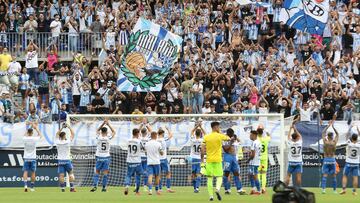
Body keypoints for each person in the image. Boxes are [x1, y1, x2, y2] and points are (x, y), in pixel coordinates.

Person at [201, 121, 230, 201]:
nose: (219, 128)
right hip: (218, 160)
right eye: (218, 127)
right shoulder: (220, 136)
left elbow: (202, 150)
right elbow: (228, 138)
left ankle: (211, 196)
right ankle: (217, 189)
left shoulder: (206, 137)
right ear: (216, 127)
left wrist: (202, 161)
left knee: (209, 178)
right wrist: (219, 132)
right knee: (219, 177)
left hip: (209, 160)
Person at [90, 120, 116, 192]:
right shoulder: (108, 137)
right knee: (105, 173)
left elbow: (97, 130)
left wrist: (103, 123)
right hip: (106, 157)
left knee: (97, 172)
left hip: (99, 156)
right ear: (107, 132)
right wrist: (108, 124)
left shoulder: (98, 137)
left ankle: (95, 186)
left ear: (101, 132)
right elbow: (114, 132)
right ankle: (104, 188)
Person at [222, 128, 246, 195]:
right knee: (226, 173)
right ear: (228, 134)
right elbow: (226, 149)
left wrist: (235, 138)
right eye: (231, 134)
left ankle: (239, 189)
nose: (232, 135)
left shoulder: (233, 139)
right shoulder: (224, 139)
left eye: (232, 134)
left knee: (236, 173)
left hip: (234, 157)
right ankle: (227, 189)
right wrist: (231, 142)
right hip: (227, 156)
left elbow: (240, 143)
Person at [339, 125, 360, 195]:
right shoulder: (359, 145)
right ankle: (354, 191)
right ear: (357, 138)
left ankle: (344, 189)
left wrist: (350, 127)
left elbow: (347, 135)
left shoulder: (348, 143)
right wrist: (358, 129)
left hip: (348, 162)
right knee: (355, 177)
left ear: (351, 138)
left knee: (345, 176)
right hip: (356, 163)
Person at [321, 115, 339, 194]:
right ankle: (334, 190)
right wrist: (333, 126)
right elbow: (337, 134)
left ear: (327, 137)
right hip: (332, 159)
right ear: (332, 136)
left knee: (325, 175)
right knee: (334, 175)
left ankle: (323, 189)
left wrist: (328, 126)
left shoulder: (325, 141)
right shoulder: (334, 142)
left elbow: (323, 132)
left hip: (326, 159)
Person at [55, 123, 75, 192]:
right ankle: (72, 188)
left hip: (60, 161)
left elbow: (57, 134)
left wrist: (62, 128)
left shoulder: (57, 142)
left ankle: (62, 189)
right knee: (71, 173)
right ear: (64, 136)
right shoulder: (67, 141)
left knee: (61, 175)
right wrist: (69, 127)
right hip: (67, 160)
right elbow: (73, 134)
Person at [22, 124, 42, 192]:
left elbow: (24, 135)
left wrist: (28, 128)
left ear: (28, 132)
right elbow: (40, 135)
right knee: (33, 172)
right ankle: (32, 188)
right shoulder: (34, 138)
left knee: (25, 172)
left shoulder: (25, 138)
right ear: (32, 133)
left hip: (26, 158)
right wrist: (36, 128)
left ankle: (25, 186)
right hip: (33, 158)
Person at [124, 128, 143, 195]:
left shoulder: (128, 140)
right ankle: (137, 191)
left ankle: (127, 186)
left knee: (128, 175)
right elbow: (142, 148)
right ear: (138, 134)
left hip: (130, 160)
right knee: (138, 176)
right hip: (137, 161)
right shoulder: (139, 141)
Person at [285, 119, 303, 187]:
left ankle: (285, 188)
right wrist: (295, 129)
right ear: (297, 137)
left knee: (288, 175)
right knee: (298, 177)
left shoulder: (290, 142)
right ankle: (299, 189)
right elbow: (299, 135)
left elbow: (288, 137)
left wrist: (290, 129)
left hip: (291, 162)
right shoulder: (300, 142)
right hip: (298, 162)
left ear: (292, 138)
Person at [145, 131, 163, 195]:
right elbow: (161, 153)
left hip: (149, 162)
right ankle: (157, 190)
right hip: (156, 162)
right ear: (155, 136)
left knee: (150, 176)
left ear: (151, 136)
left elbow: (145, 152)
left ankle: (150, 190)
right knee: (157, 176)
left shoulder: (147, 143)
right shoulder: (158, 144)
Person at [157, 127, 175, 193]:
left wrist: (158, 131)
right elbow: (171, 135)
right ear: (162, 133)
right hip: (164, 159)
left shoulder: (155, 139)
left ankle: (160, 189)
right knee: (168, 173)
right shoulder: (164, 139)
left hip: (157, 160)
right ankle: (168, 188)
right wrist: (168, 129)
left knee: (159, 174)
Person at [189, 122, 205, 193]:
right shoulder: (202, 140)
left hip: (193, 158)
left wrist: (196, 126)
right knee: (198, 173)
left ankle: (194, 187)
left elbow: (192, 131)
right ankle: (197, 188)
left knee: (193, 174)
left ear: (195, 134)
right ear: (200, 134)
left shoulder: (192, 139)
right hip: (199, 158)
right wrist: (201, 127)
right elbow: (205, 134)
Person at [257, 124, 271, 193]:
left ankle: (259, 188)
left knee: (258, 173)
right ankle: (263, 188)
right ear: (262, 132)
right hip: (264, 158)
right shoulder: (266, 139)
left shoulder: (256, 139)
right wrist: (265, 130)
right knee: (264, 173)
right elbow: (269, 136)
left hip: (258, 158)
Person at [139, 123, 152, 191]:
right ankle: (145, 186)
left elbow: (137, 131)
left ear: (141, 132)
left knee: (138, 172)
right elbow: (151, 132)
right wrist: (146, 125)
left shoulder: (139, 138)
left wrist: (141, 125)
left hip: (139, 157)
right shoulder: (148, 138)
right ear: (146, 132)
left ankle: (136, 185)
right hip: (146, 157)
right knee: (146, 172)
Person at [248, 130, 261, 195]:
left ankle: (258, 190)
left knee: (255, 176)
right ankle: (253, 189)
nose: (250, 136)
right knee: (250, 175)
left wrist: (248, 160)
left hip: (253, 162)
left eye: (250, 135)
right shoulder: (258, 142)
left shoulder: (254, 143)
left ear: (254, 135)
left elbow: (253, 155)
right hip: (256, 161)